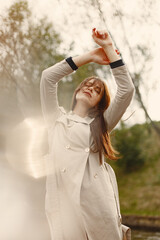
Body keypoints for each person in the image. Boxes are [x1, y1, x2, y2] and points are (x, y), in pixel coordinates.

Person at [40, 28, 135, 240]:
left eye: (97, 89)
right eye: (86, 84)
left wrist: (110, 49)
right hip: (64, 209)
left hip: (97, 208)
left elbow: (126, 90)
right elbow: (48, 78)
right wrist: (90, 57)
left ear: (99, 103)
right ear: (76, 92)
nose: (90, 87)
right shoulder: (55, 120)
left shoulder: (100, 125)